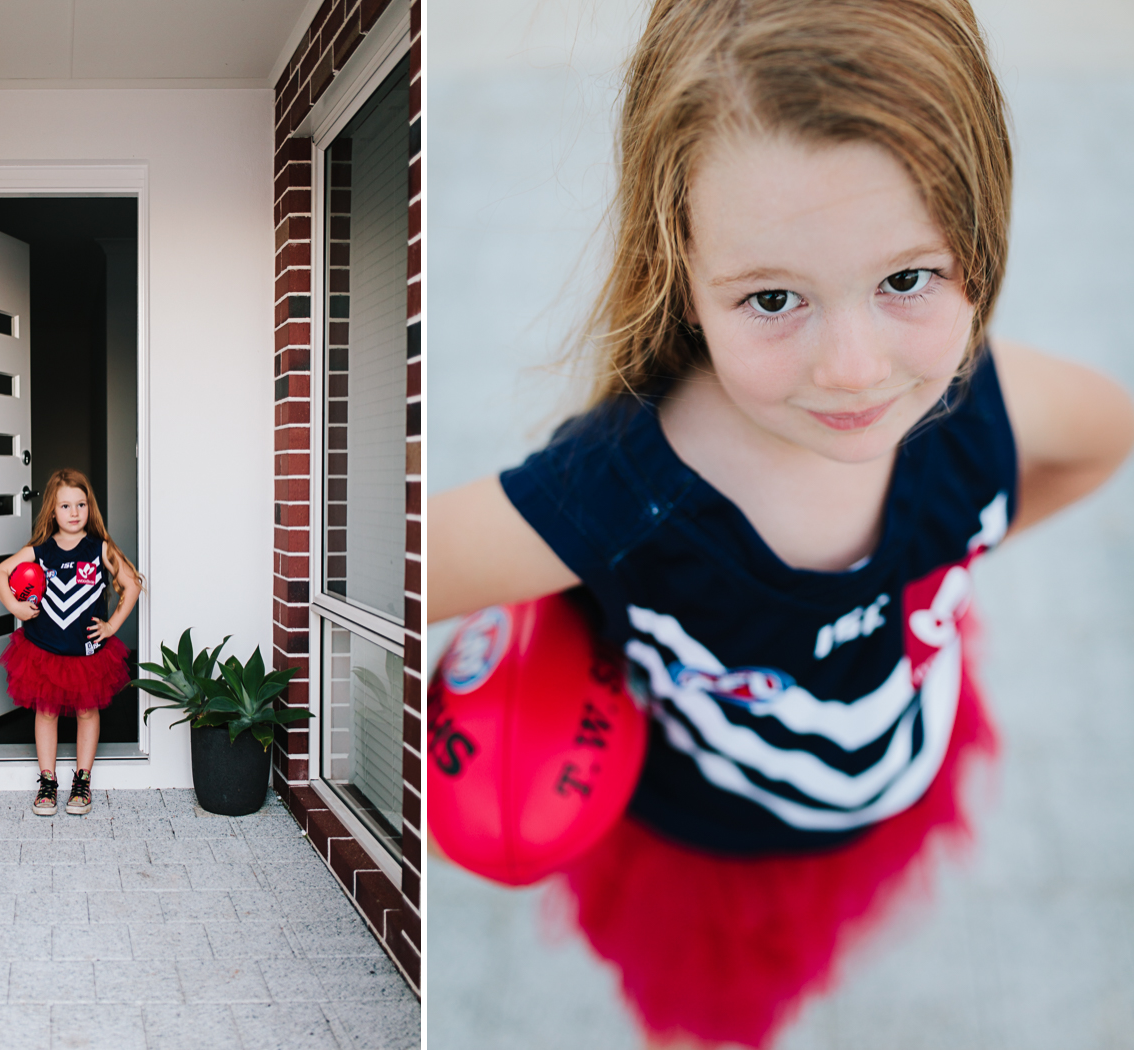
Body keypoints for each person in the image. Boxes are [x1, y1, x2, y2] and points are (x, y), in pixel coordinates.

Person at [428, 0, 1134, 1046]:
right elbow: (382, 576)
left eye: (905, 279)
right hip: (706, 849)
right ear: (678, 262)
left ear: (975, 235)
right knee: (714, 1019)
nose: (852, 369)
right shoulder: (621, 492)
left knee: (822, 950)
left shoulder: (985, 408)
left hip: (890, 771)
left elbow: (1102, 436)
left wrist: (956, 548)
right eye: (770, 300)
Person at [0, 468, 142, 818]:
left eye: (81, 504)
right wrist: (15, 606)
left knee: (87, 711)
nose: (74, 513)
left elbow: (132, 584)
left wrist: (112, 625)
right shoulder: (39, 551)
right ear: (52, 511)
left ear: (89, 508)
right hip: (43, 650)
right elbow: (0, 573)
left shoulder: (99, 548)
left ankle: (82, 780)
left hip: (86, 654)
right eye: (65, 506)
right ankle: (47, 782)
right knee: (45, 712)